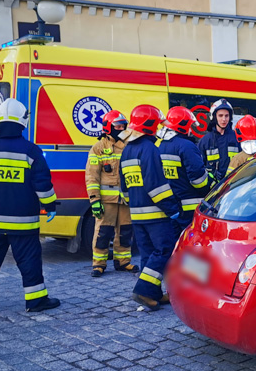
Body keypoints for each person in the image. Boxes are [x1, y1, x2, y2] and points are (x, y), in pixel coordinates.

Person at [0, 98, 59, 313]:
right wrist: (50, 205)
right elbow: (42, 186)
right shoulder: (31, 151)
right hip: (24, 222)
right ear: (23, 121)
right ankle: (36, 300)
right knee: (29, 261)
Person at [119, 104, 182, 311]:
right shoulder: (150, 150)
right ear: (150, 125)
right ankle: (144, 289)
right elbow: (157, 187)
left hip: (137, 214)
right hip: (156, 214)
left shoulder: (127, 150)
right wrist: (172, 208)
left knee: (147, 253)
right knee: (164, 249)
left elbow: (124, 187)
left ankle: (153, 293)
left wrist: (134, 203)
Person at [85, 110, 138, 277]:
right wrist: (94, 200)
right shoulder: (98, 148)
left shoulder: (130, 145)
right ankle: (98, 264)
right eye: (117, 126)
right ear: (108, 127)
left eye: (123, 125)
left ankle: (123, 262)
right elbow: (92, 175)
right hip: (106, 201)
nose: (121, 128)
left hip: (126, 200)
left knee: (125, 232)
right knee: (103, 233)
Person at [158, 106, 209, 231]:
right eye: (190, 126)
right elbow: (198, 180)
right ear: (183, 125)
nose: (191, 130)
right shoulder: (187, 146)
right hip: (189, 208)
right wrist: (210, 183)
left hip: (172, 206)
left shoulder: (162, 145)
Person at [197, 99, 238, 185]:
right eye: (220, 115)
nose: (224, 119)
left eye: (226, 116)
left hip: (233, 186)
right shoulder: (205, 141)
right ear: (214, 117)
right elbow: (199, 166)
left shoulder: (237, 138)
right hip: (212, 188)